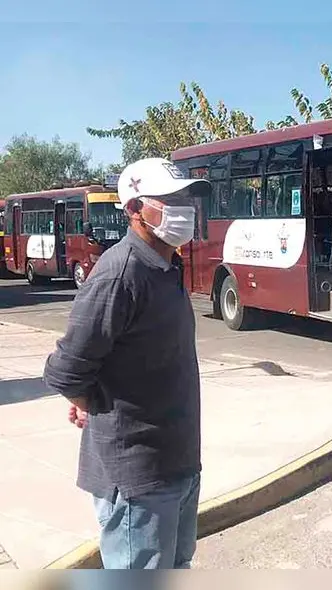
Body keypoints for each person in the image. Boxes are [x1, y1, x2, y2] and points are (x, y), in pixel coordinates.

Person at [43, 157, 209, 569]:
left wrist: (93, 396)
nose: (185, 209)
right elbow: (66, 369)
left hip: (179, 462)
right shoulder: (120, 274)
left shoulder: (167, 265)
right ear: (135, 209)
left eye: (187, 198)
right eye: (171, 200)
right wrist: (87, 401)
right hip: (139, 478)